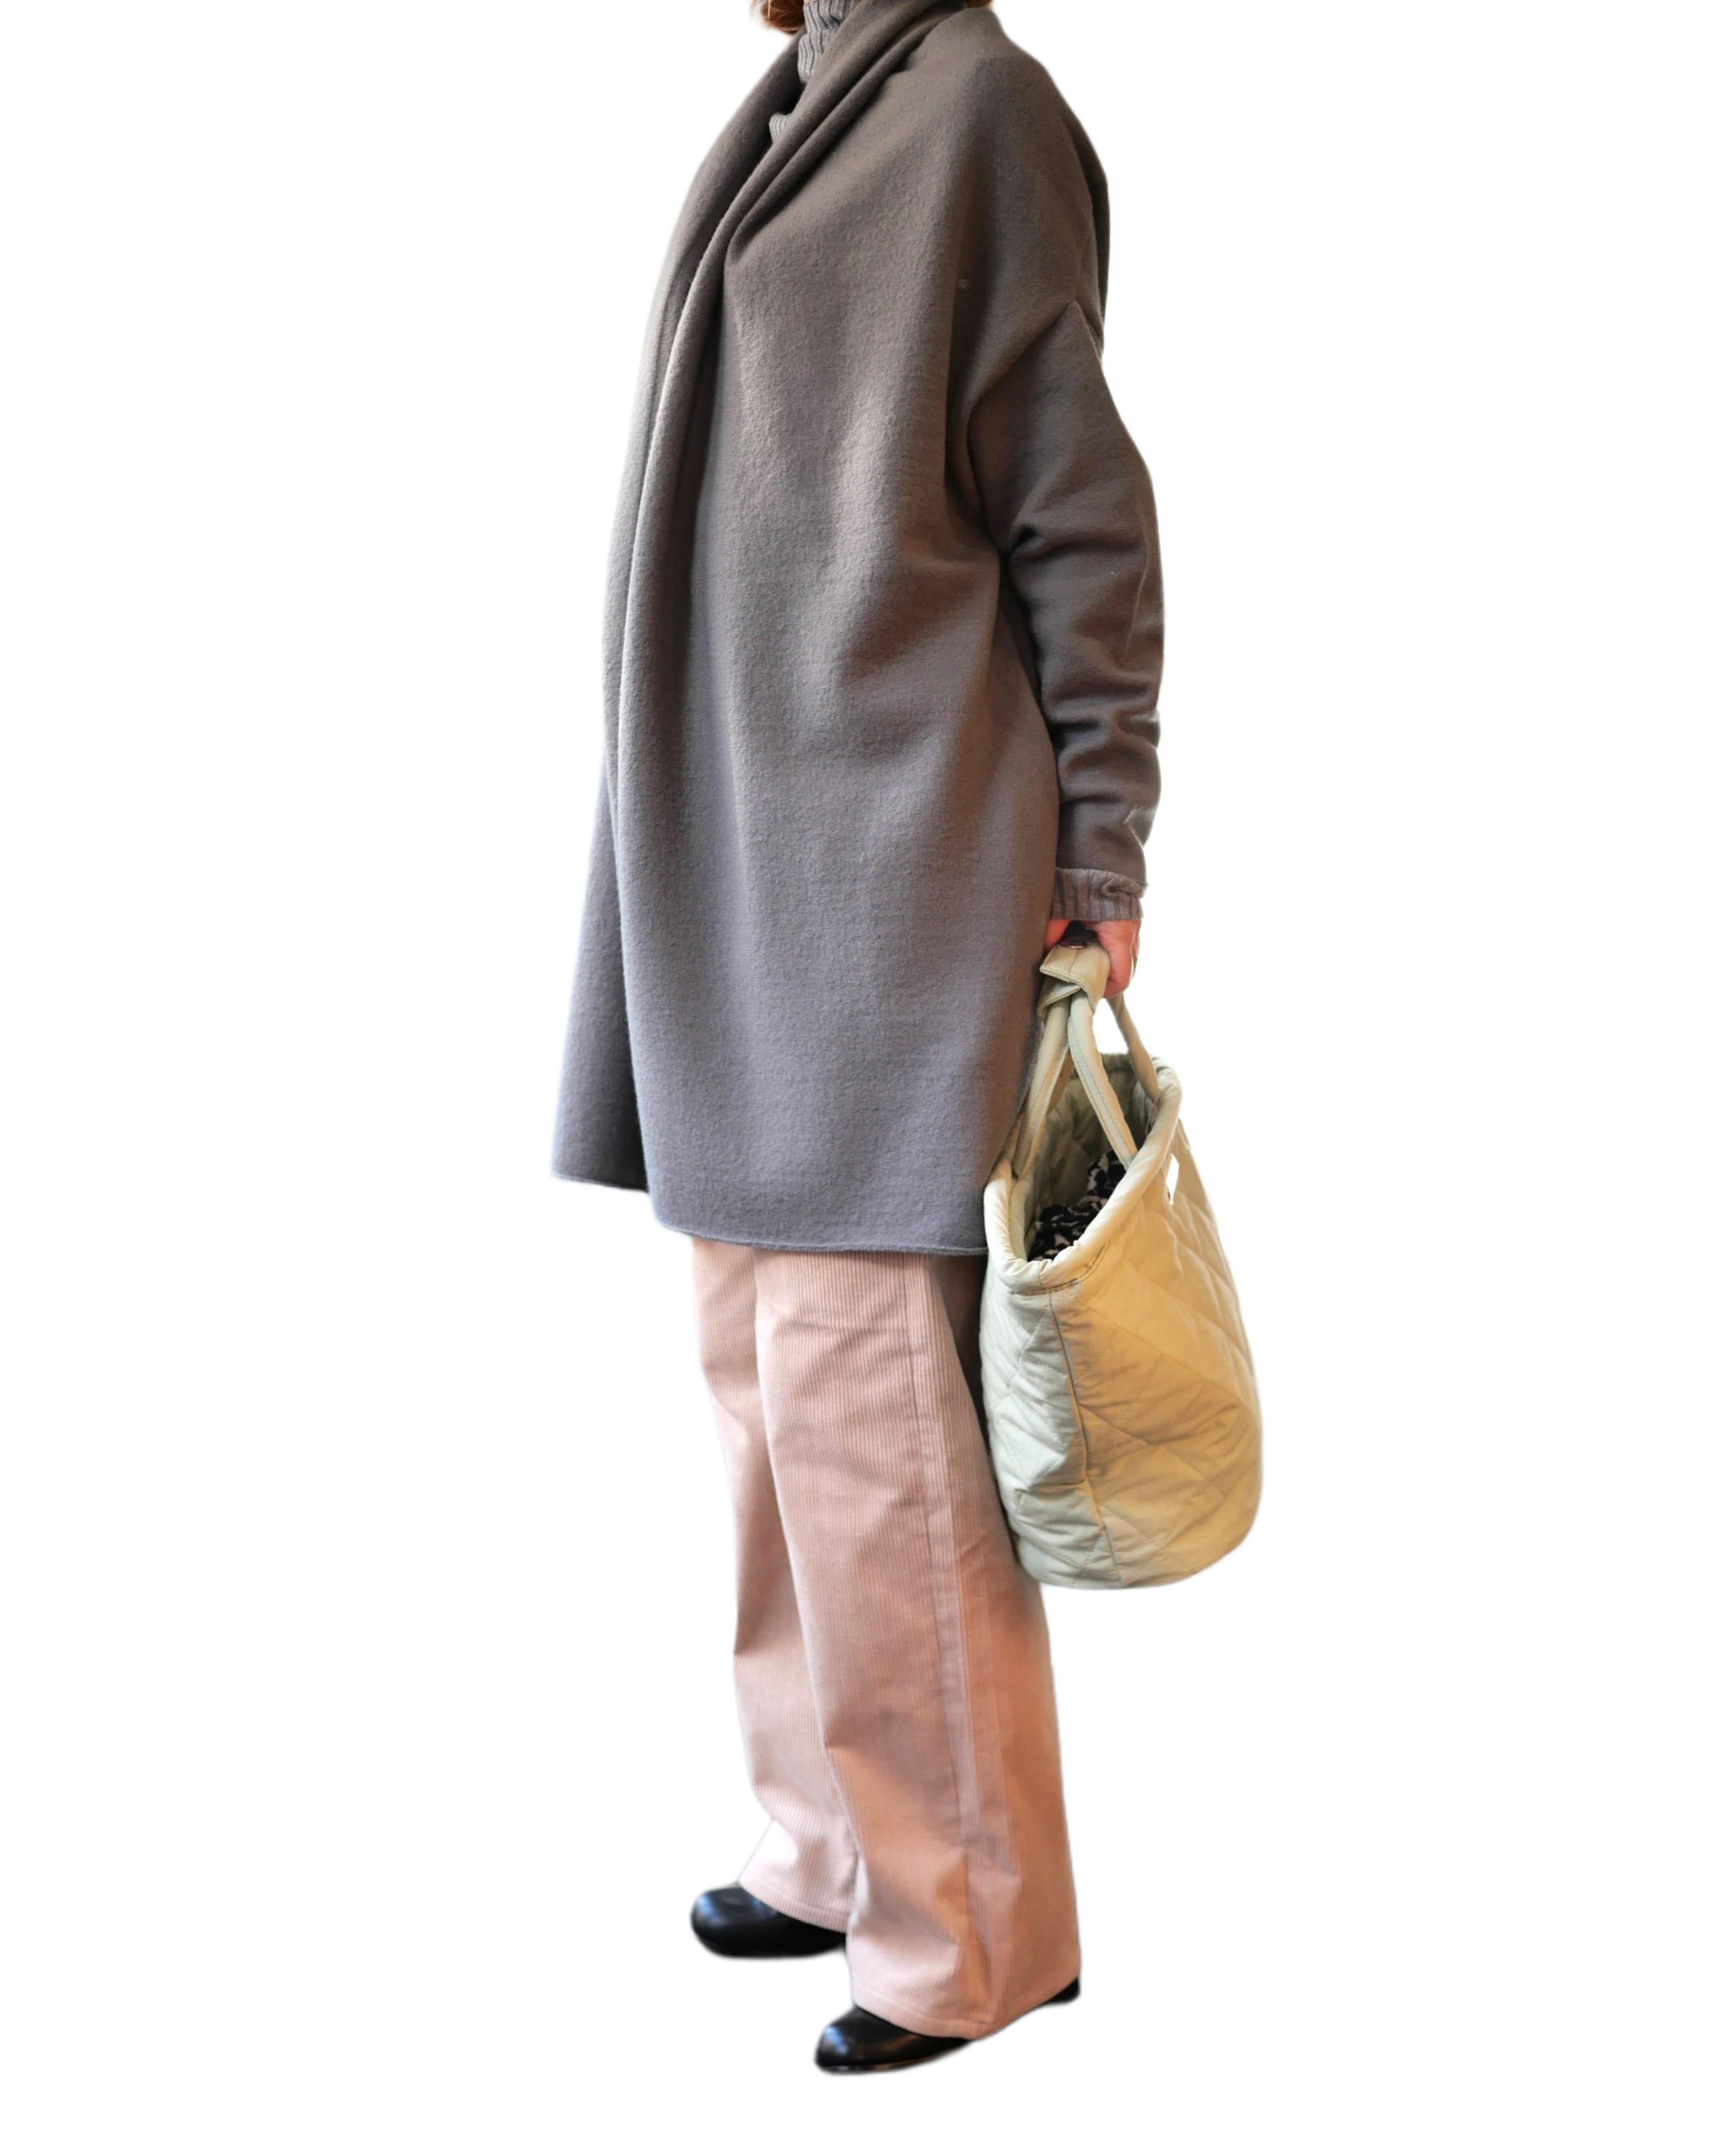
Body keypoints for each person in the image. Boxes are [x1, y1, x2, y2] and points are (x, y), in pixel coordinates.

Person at [553, 0, 1162, 2073]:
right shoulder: (799, 100)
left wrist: (1102, 839)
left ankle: (969, 1926)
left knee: (872, 1404)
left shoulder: (978, 109)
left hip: (891, 861)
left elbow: (1081, 512)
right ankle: (829, 1840)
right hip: (744, 853)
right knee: (763, 1381)